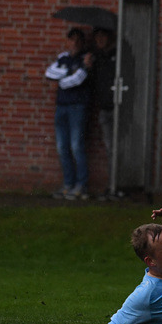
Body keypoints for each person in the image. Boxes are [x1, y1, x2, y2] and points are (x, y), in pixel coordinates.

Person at [45, 28, 92, 200]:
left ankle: (81, 185)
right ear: (68, 41)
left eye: (78, 40)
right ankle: (68, 184)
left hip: (77, 107)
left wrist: (63, 77)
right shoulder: (63, 58)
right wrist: (67, 73)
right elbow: (49, 73)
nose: (75, 43)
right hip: (61, 107)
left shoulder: (86, 58)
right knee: (62, 147)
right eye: (72, 39)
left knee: (76, 146)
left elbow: (76, 80)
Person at [88, 27, 121, 200]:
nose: (100, 40)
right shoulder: (97, 58)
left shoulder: (118, 55)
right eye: (97, 37)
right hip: (104, 108)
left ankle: (119, 186)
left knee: (118, 149)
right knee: (110, 149)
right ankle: (112, 185)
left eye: (103, 36)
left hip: (118, 108)